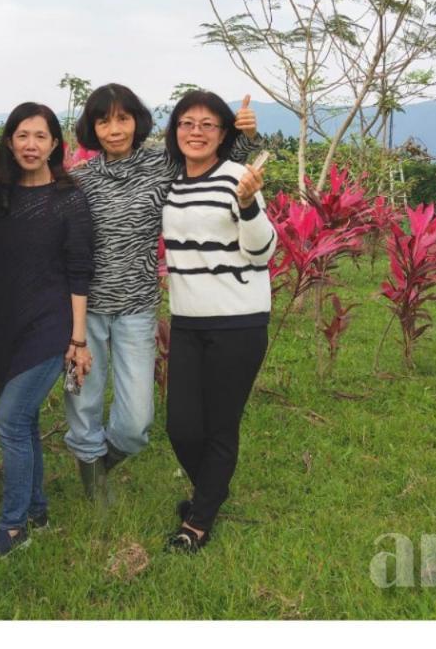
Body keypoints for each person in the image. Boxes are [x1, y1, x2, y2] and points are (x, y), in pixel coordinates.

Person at [65, 85, 261, 501]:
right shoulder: (79, 180)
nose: (114, 129)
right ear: (91, 127)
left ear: (137, 120)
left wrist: (243, 133)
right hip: (81, 311)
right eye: (103, 120)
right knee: (82, 403)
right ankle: (93, 489)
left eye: (123, 118)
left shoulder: (162, 162)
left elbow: (218, 163)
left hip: (137, 307)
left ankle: (99, 464)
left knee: (136, 422)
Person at [160, 88, 276, 553]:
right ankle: (212, 491)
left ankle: (199, 521)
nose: (196, 132)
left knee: (220, 424)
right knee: (181, 426)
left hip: (239, 319)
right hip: (187, 319)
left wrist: (248, 204)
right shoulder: (170, 181)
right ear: (175, 130)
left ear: (223, 134)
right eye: (187, 123)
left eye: (208, 125)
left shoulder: (237, 177)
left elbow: (262, 250)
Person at [0, 103, 94, 556]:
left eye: (40, 136)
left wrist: (78, 339)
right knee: (23, 420)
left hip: (50, 326)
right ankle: (38, 512)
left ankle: (13, 528)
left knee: (9, 420)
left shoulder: (70, 197)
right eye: (22, 135)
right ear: (10, 142)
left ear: (54, 144)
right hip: (3, 323)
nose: (31, 144)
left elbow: (80, 269)